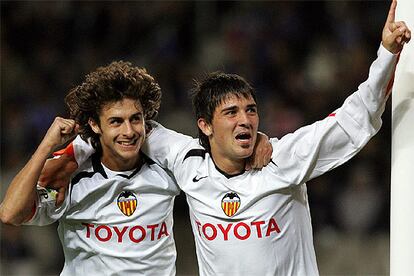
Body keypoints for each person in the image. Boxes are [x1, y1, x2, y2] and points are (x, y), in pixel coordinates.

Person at [37, 1, 411, 275]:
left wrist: (386, 54)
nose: (245, 120)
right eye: (231, 113)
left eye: (251, 111)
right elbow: (123, 129)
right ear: (204, 125)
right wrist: (70, 155)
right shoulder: (185, 162)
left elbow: (356, 116)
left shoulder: (284, 158)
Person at [0, 61, 182, 275]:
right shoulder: (70, 174)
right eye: (116, 121)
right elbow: (10, 214)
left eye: (135, 119)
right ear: (95, 125)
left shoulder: (167, 167)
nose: (129, 131)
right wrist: (46, 146)